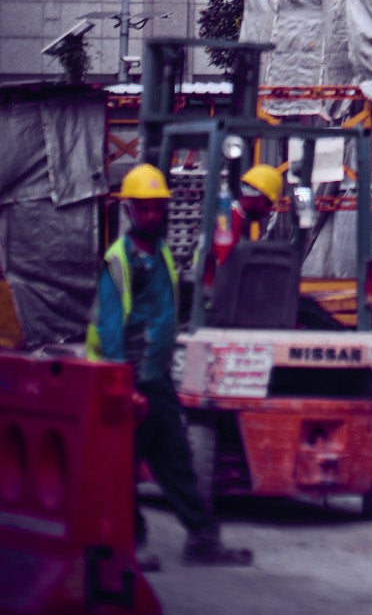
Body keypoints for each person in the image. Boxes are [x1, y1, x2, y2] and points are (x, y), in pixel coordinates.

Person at [87, 163, 252, 571]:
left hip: (154, 378)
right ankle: (130, 544)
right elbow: (110, 327)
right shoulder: (118, 260)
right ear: (129, 211)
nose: (153, 216)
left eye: (158, 208)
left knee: (176, 459)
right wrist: (123, 383)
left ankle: (201, 538)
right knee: (122, 466)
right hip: (123, 379)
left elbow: (162, 315)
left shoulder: (159, 252)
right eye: (144, 209)